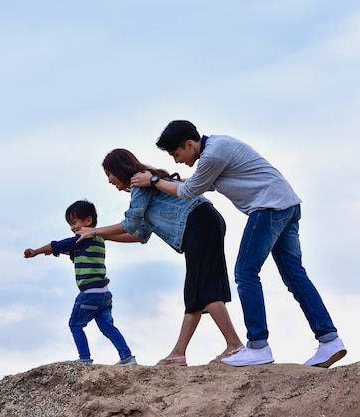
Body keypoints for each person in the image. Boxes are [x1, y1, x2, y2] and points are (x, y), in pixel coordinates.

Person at [131, 120, 346, 368]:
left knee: (245, 272)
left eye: (176, 154)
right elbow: (198, 183)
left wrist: (154, 181)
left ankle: (258, 346)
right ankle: (329, 340)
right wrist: (163, 180)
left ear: (189, 144)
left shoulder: (213, 154)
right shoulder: (218, 149)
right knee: (295, 277)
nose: (176, 160)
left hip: (268, 207)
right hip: (286, 205)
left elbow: (189, 191)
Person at [76, 149, 244, 366]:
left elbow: (130, 224)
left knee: (206, 288)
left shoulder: (139, 182)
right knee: (195, 293)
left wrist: (95, 231)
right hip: (204, 221)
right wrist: (104, 237)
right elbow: (139, 234)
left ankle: (234, 345)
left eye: (109, 173)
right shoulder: (144, 185)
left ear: (119, 169)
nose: (109, 180)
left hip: (198, 223)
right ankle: (178, 353)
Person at [24, 199, 137, 366]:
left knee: (75, 324)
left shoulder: (81, 238)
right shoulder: (98, 240)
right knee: (107, 326)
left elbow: (58, 245)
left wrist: (37, 251)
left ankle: (84, 358)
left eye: (74, 222)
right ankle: (127, 357)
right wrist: (55, 252)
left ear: (88, 221)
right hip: (104, 294)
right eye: (70, 224)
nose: (72, 228)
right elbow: (70, 251)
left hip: (89, 294)